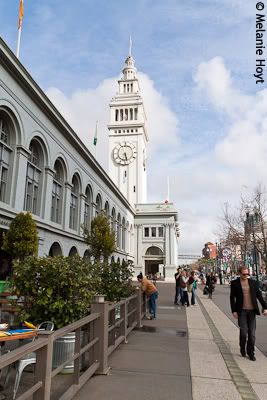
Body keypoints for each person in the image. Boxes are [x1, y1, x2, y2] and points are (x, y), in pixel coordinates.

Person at [230, 266, 267, 361]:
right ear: (239, 273)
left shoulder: (253, 283)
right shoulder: (235, 283)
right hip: (241, 311)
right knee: (243, 332)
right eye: (244, 274)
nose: (246, 275)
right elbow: (232, 298)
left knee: (252, 334)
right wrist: (234, 311)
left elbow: (259, 296)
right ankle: (242, 347)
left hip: (252, 311)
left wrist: (265, 307)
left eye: (247, 274)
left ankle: (251, 352)